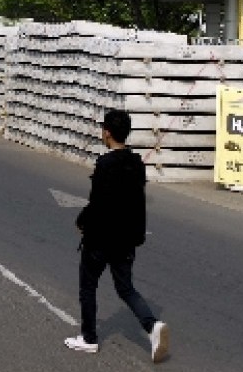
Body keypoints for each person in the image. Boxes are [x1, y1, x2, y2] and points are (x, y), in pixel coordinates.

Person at [64, 109, 169, 364]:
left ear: (107, 132)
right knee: (125, 288)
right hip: (126, 239)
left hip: (100, 239)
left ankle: (89, 338)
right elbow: (138, 204)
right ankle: (152, 326)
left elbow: (97, 203)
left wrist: (82, 222)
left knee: (88, 286)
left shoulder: (105, 164)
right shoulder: (136, 163)